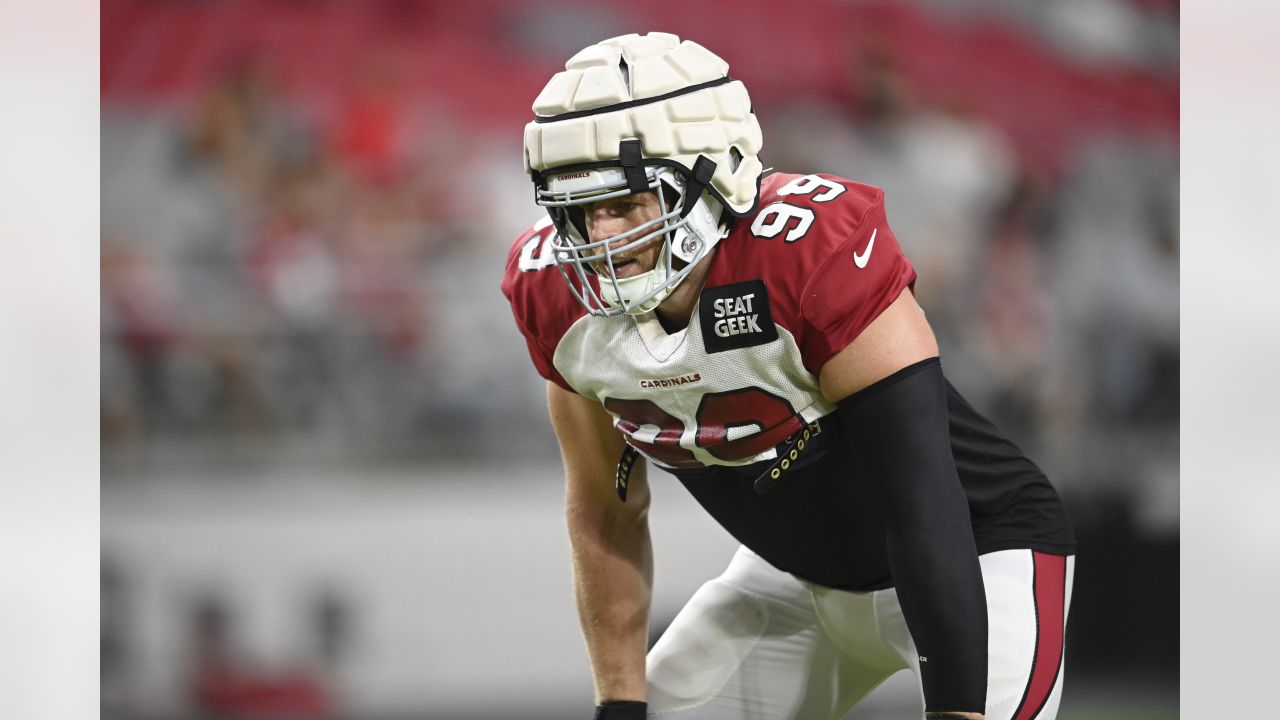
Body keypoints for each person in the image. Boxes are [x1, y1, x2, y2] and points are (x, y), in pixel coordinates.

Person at [501, 32, 1075, 720]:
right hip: (792, 581)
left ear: (710, 177)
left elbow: (921, 497)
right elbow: (605, 512)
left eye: (625, 204)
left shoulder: (809, 255)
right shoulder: (556, 297)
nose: (600, 238)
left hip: (978, 553)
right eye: (575, 208)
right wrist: (619, 706)